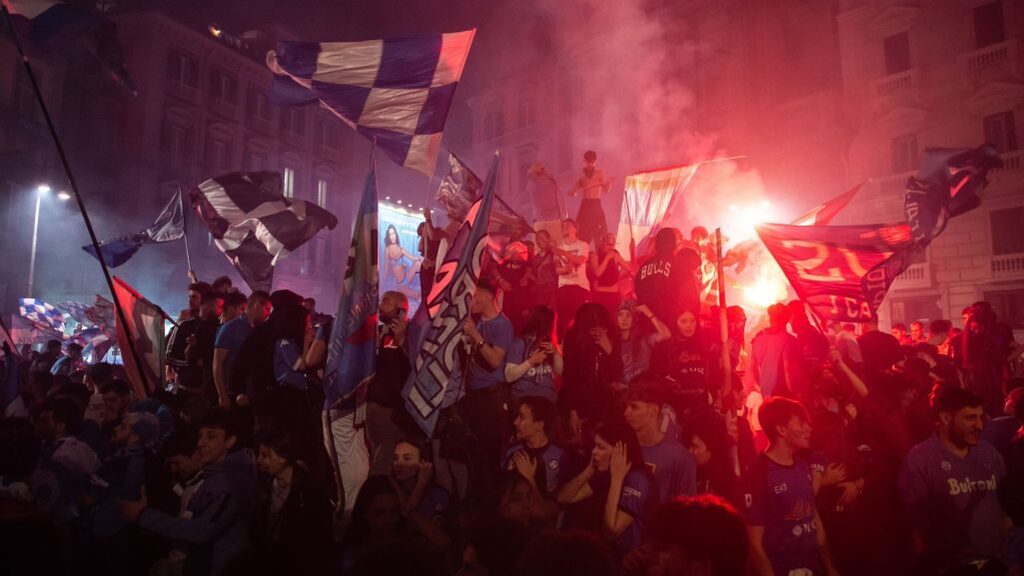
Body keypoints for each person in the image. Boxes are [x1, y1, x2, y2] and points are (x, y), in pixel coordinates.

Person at [120, 409, 257, 576]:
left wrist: (142, 515)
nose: (201, 442)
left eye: (211, 436)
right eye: (200, 436)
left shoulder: (230, 483)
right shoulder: (216, 477)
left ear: (230, 441)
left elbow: (202, 531)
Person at [899, 385, 1007, 574]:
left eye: (980, 417)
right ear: (946, 418)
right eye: (970, 418)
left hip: (994, 563)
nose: (979, 425)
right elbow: (914, 527)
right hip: (952, 568)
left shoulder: (989, 453)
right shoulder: (921, 460)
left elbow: (1005, 507)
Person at [744, 397, 839, 576]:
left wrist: (830, 566)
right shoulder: (759, 473)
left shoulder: (802, 466)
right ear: (781, 429)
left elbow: (813, 517)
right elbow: (754, 543)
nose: (809, 429)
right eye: (801, 423)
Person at [558, 421, 656, 557]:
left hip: (625, 561)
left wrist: (616, 479)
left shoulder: (637, 479)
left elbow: (612, 531)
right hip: (605, 556)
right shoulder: (605, 475)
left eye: (600, 447)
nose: (594, 452)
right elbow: (565, 498)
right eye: (594, 446)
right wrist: (589, 470)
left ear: (620, 451)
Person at [462, 279, 515, 501]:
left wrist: (476, 337)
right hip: (473, 394)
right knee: (474, 454)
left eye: (472, 297)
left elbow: (495, 360)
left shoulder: (502, 325)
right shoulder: (478, 322)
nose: (470, 302)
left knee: (489, 453)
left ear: (484, 296)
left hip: (491, 396)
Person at [252, 431, 333, 573]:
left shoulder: (310, 491)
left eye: (265, 455)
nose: (258, 460)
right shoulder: (264, 487)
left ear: (283, 457)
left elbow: (322, 537)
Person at [623, 382, 697, 503]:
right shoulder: (623, 448)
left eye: (634, 407)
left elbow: (688, 506)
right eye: (626, 407)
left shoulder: (680, 457)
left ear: (653, 411)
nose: (626, 413)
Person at [560, 303, 624, 443]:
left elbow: (618, 372)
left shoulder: (613, 336)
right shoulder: (574, 338)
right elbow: (569, 376)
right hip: (580, 402)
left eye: (600, 327)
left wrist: (609, 350)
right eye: (592, 329)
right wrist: (573, 410)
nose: (597, 332)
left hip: (606, 404)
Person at [502, 397, 571, 525]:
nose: (515, 422)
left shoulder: (560, 457)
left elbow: (558, 504)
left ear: (539, 425)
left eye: (522, 417)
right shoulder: (512, 453)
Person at [367, 291, 412, 476]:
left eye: (386, 301)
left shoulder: (411, 333)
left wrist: (403, 341)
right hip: (371, 405)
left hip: (391, 409)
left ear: (401, 310)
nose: (381, 305)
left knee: (384, 462)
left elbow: (414, 365)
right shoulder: (378, 333)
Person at [213, 291, 270, 409]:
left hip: (254, 395)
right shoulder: (230, 328)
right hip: (232, 394)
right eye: (267, 309)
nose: (268, 313)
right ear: (257, 306)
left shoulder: (262, 329)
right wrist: (222, 395)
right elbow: (217, 363)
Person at [635, 228, 701, 328]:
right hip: (670, 325)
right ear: (674, 244)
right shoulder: (678, 265)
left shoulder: (644, 266)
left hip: (645, 324)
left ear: (657, 244)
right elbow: (688, 297)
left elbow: (638, 291)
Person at [682, 411, 741, 507]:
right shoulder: (694, 475)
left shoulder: (727, 485)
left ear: (711, 446)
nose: (690, 451)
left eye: (695, 446)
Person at [505, 306, 562, 404]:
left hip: (547, 401)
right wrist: (531, 361)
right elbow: (509, 376)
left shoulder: (551, 345)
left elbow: (560, 372)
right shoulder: (520, 343)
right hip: (525, 401)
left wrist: (556, 353)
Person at [751, 303, 803, 399]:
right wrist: (797, 394)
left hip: (766, 396)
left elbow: (753, 369)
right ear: (787, 319)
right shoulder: (790, 340)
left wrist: (763, 389)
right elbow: (789, 371)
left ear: (770, 318)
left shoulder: (758, 339)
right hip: (785, 396)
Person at [617, 301, 671, 387]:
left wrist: (650, 314)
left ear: (634, 319)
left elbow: (666, 334)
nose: (624, 318)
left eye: (628, 315)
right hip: (623, 391)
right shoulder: (614, 342)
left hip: (642, 388)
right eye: (621, 315)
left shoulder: (644, 339)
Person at [555, 219, 591, 338]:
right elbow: (557, 269)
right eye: (564, 226)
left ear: (575, 229)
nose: (565, 227)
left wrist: (565, 254)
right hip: (564, 285)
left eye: (568, 225)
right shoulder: (558, 247)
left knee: (579, 317)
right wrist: (566, 270)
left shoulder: (582, 245)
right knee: (563, 318)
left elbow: (580, 260)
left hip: (579, 285)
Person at [568, 150, 610, 244]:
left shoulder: (600, 173)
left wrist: (610, 183)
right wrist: (571, 193)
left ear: (595, 160)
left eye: (592, 160)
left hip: (596, 204)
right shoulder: (581, 175)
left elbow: (606, 190)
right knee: (583, 232)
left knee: (599, 232)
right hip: (586, 205)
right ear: (585, 160)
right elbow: (575, 192)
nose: (590, 162)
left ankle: (600, 253)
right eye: (588, 160)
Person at [588, 234, 630, 317]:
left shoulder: (615, 255)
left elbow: (629, 268)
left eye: (613, 244)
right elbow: (597, 273)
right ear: (602, 244)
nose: (611, 247)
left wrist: (632, 251)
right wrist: (607, 258)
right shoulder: (595, 255)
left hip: (614, 294)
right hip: (601, 294)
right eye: (608, 244)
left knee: (614, 320)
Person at [527, 162, 566, 241]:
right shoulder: (553, 182)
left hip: (541, 220)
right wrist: (563, 218)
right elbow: (560, 201)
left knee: (540, 247)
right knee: (557, 246)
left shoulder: (532, 184)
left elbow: (534, 203)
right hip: (554, 219)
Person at [384, 223, 422, 288]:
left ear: (396, 234)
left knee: (418, 263)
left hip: (406, 279)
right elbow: (386, 268)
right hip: (399, 283)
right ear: (388, 236)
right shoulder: (388, 249)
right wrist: (382, 283)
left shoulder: (401, 249)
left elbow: (413, 257)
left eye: (393, 233)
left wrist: (421, 258)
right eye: (390, 234)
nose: (392, 236)